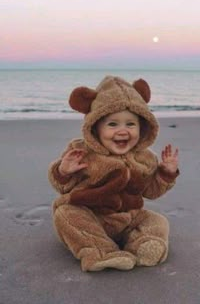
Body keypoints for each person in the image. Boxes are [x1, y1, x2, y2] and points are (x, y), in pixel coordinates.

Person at [48, 76, 179, 272]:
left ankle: (144, 245)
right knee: (65, 214)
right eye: (112, 124)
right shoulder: (81, 152)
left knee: (156, 220)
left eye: (130, 124)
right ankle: (100, 251)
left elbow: (150, 191)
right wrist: (63, 171)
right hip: (92, 216)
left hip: (128, 218)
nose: (122, 131)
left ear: (142, 127)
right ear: (95, 127)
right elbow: (62, 186)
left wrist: (166, 173)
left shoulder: (145, 158)